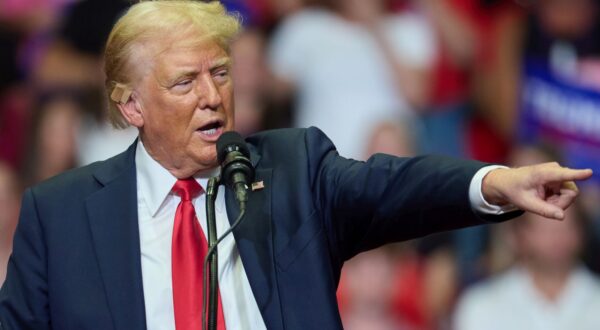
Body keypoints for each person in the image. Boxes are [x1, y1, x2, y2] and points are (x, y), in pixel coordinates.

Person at [0, 1, 593, 329]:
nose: (213, 96)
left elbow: (393, 186)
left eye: (222, 73)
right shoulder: (60, 216)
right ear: (131, 105)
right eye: (185, 82)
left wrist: (496, 181)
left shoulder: (290, 169)